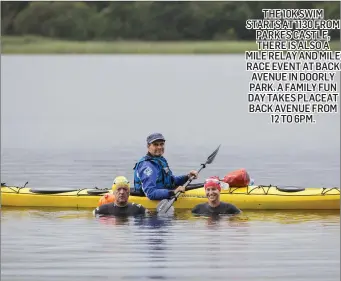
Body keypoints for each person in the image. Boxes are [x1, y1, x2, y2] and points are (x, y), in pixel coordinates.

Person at [133, 133, 198, 200]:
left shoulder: (160, 160)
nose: (159, 147)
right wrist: (173, 192)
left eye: (161, 144)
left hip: (165, 191)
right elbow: (150, 193)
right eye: (155, 144)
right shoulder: (147, 166)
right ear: (148, 146)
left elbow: (171, 180)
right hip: (149, 198)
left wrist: (187, 177)